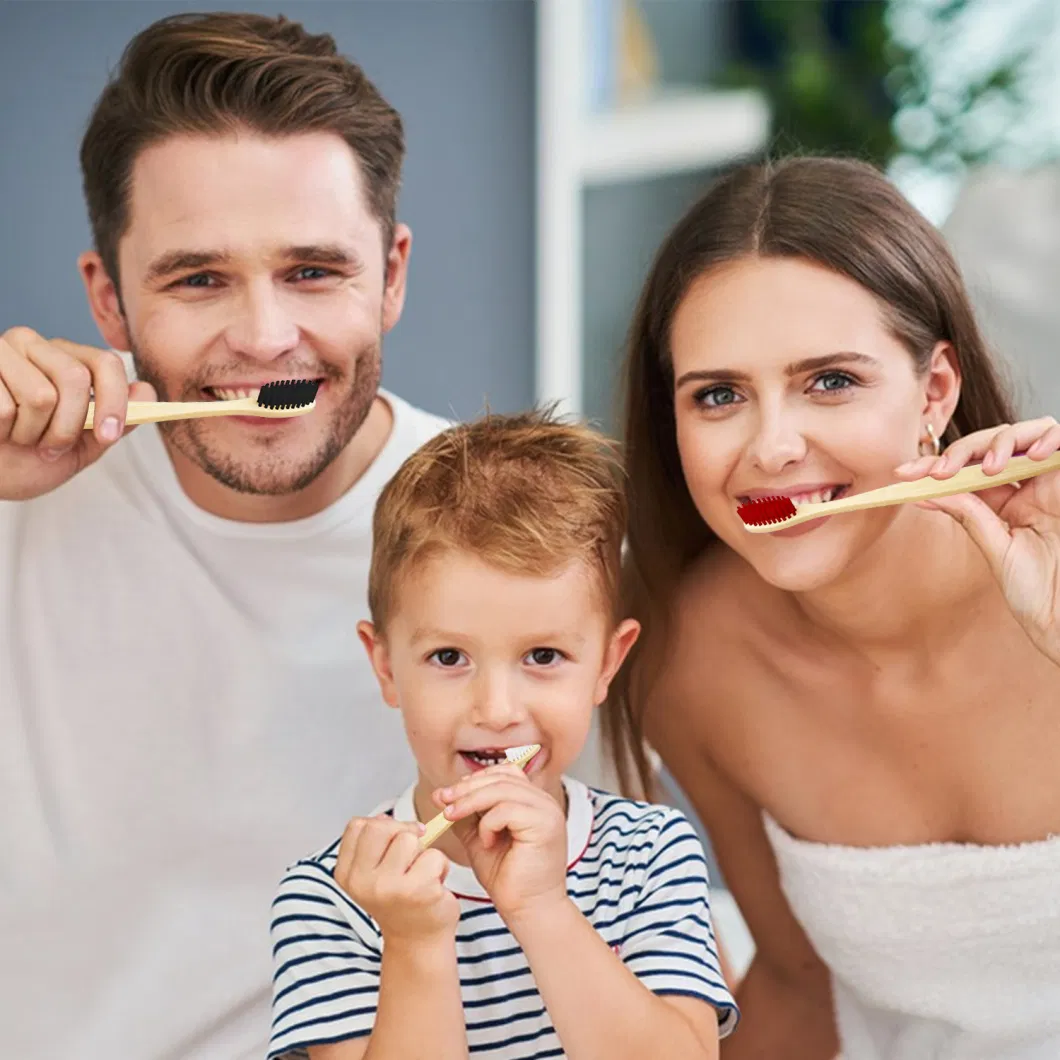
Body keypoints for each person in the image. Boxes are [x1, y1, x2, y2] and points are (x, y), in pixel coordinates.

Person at [0, 12, 453, 1058]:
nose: (262, 336)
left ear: (390, 274)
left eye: (311, 271)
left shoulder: (532, 545)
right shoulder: (20, 507)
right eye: (198, 278)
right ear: (107, 300)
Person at [604, 155, 1060, 1060]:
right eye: (721, 395)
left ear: (935, 392)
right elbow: (793, 981)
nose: (773, 447)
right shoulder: (690, 663)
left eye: (830, 381)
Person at [267, 410, 739, 1059]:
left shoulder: (648, 855)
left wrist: (542, 907)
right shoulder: (336, 899)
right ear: (385, 667)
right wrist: (415, 943)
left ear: (607, 663)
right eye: (449, 658)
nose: (496, 709)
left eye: (543, 657)